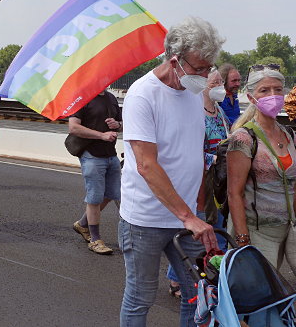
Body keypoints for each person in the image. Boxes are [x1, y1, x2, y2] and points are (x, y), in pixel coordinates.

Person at [119, 17, 223, 327]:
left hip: (188, 217)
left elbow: (195, 155)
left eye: (209, 68)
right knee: (140, 297)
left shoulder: (192, 93)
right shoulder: (142, 95)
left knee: (199, 293)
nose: (205, 76)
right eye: (200, 68)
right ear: (174, 60)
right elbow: (146, 165)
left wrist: (199, 210)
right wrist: (188, 217)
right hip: (145, 220)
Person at [167, 69, 230, 298]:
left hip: (219, 180)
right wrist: (212, 158)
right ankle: (176, 279)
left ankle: (212, 274)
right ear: (205, 85)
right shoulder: (196, 112)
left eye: (221, 81)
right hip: (200, 181)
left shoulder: (220, 112)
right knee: (197, 232)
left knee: (217, 227)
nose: (220, 86)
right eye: (216, 82)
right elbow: (188, 147)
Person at [227, 65, 296, 272]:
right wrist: (242, 240)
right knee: (263, 293)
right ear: (251, 97)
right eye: (264, 90)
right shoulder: (243, 138)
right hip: (259, 231)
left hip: (290, 227)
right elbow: (234, 193)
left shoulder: (289, 135)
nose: (273, 95)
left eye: (277, 89)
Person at [68, 89, 122, 255]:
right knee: (95, 198)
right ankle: (95, 239)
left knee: (115, 194)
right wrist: (101, 135)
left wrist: (117, 125)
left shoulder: (111, 98)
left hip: (110, 155)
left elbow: (122, 124)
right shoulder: (81, 97)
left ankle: (83, 224)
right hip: (91, 155)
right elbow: (73, 128)